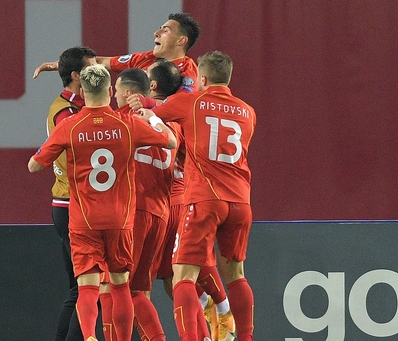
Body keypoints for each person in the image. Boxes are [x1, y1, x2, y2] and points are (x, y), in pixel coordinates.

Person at [28, 64, 177, 341]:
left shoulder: (68, 127)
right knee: (121, 286)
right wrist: (151, 117)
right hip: (120, 220)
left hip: (84, 219)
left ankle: (89, 337)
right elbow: (169, 141)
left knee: (87, 288)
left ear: (83, 92)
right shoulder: (128, 123)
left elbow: (33, 166)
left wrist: (59, 155)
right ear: (110, 91)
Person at [147, 51, 256, 341]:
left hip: (205, 198)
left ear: (203, 78)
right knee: (236, 274)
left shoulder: (191, 102)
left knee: (182, 276)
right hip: (241, 201)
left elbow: (151, 115)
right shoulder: (248, 111)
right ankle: (245, 337)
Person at [111, 67, 180, 341]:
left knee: (115, 288)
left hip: (133, 211)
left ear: (128, 93)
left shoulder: (123, 120)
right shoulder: (170, 122)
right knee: (137, 291)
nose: (114, 96)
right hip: (160, 212)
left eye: (116, 91)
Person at [46, 46, 97, 341]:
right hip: (72, 205)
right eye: (92, 68)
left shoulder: (78, 107)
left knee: (82, 289)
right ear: (77, 76)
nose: (99, 73)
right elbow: (78, 159)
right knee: (86, 290)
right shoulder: (66, 113)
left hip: (75, 204)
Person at [32, 12, 201, 93]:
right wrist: (59, 64)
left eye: (166, 30)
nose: (156, 33)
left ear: (181, 41)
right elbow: (101, 62)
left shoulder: (188, 70)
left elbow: (184, 105)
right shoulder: (144, 59)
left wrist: (149, 108)